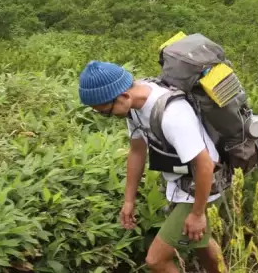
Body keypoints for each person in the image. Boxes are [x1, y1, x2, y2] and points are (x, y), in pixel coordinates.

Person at [78, 60, 227, 273]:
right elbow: (137, 151)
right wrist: (129, 200)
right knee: (201, 243)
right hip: (182, 181)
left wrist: (197, 214)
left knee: (156, 260)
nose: (107, 117)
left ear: (123, 96)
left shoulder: (172, 115)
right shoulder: (134, 106)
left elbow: (204, 164)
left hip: (203, 184)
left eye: (105, 112)